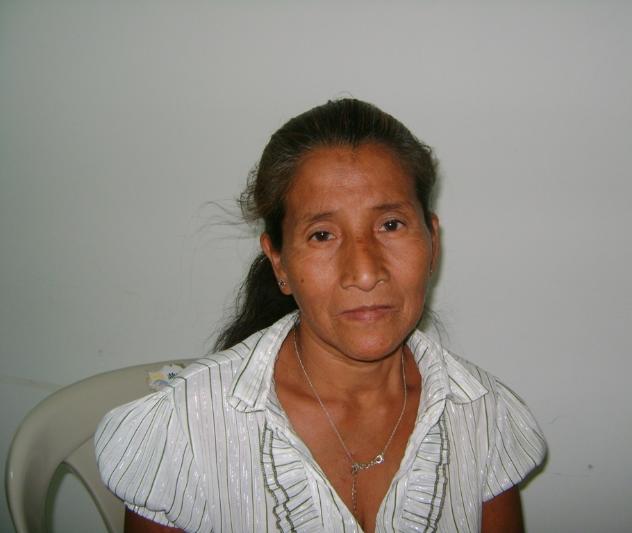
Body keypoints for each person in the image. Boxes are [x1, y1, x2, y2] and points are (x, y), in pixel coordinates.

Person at [95, 99, 546, 533]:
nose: (365, 272)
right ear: (279, 263)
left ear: (432, 242)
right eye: (322, 235)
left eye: (390, 225)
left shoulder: (483, 415)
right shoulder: (182, 433)